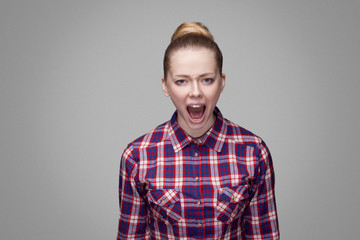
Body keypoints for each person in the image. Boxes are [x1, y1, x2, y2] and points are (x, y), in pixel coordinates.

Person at [117, 22, 279, 239]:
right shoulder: (137, 157)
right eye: (182, 81)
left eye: (207, 80)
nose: (195, 92)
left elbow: (263, 236)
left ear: (221, 83)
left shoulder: (253, 152)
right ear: (166, 85)